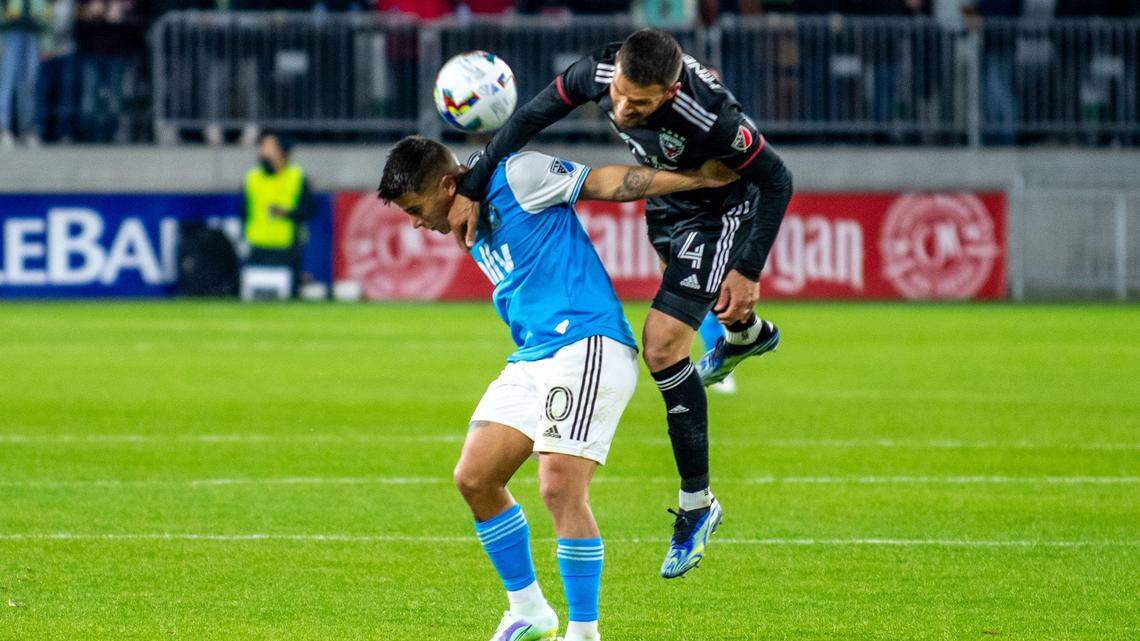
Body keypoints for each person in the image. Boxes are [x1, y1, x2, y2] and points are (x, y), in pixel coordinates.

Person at [447, 28, 793, 579]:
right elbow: (529, 119)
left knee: (661, 348)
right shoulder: (601, 72)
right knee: (681, 323)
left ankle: (697, 505)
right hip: (669, 194)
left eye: (643, 102)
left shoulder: (715, 120)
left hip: (719, 205)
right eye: (621, 96)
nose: (624, 108)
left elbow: (777, 180)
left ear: (672, 90)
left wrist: (747, 270)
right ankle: (747, 336)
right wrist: (474, 182)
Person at [377, 135, 736, 641]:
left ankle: (584, 632)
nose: (415, 223)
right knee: (475, 477)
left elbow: (606, 183)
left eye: (416, 209)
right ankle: (528, 610)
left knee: (559, 485)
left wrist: (699, 177)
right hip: (533, 356)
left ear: (446, 185)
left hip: (588, 343)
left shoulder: (517, 176)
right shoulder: (468, 213)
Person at [242, 132, 316, 298]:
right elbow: (243, 211)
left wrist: (286, 213)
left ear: (282, 151)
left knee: (289, 297)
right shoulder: (252, 178)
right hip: (258, 246)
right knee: (256, 298)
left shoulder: (296, 176)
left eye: (269, 147)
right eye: (262, 146)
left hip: (287, 247)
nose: (263, 151)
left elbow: (309, 209)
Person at [0, 0, 51, 148]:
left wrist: (46, 44)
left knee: (29, 85)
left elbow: (46, 17)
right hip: (9, 35)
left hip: (33, 36)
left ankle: (26, 129)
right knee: (7, 85)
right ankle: (4, 129)